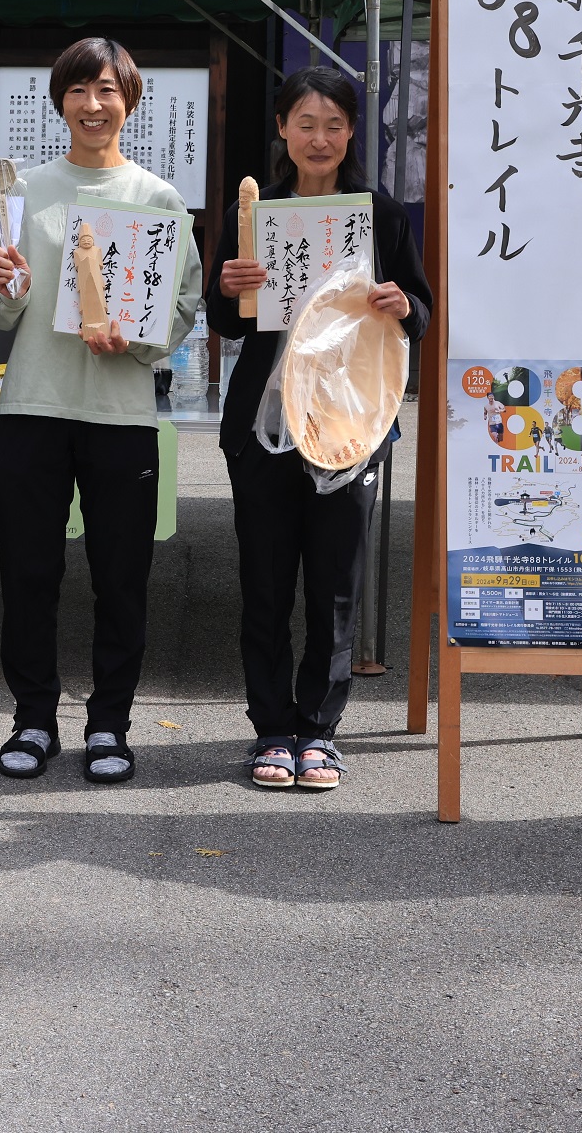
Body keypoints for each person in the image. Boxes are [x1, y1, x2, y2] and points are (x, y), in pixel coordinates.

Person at [0, 37, 202, 784]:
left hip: (121, 415)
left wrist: (137, 339)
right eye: (78, 90)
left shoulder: (158, 200)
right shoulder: (21, 193)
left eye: (107, 90)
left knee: (121, 578)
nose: (92, 105)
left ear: (129, 100)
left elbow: (183, 307)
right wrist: (5, 286)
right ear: (59, 103)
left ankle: (109, 724)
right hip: (33, 408)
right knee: (28, 573)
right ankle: (33, 719)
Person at [206, 66, 428, 793]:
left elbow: (422, 309)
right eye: (306, 123)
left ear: (352, 131)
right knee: (266, 583)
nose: (320, 138)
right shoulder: (255, 211)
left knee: (336, 584)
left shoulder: (381, 216)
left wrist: (403, 305)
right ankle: (272, 728)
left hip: (349, 420)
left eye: (334, 124)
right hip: (263, 424)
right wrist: (229, 288)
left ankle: (319, 731)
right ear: (282, 129)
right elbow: (223, 318)